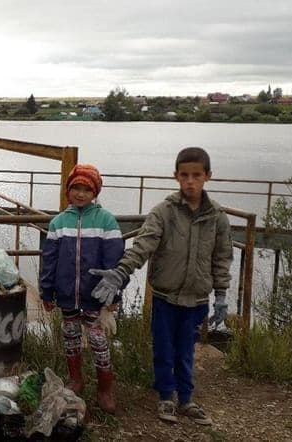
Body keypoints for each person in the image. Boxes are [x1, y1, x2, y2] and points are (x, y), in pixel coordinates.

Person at [89, 147, 232, 426]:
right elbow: (143, 246)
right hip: (166, 297)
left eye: (197, 175)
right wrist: (121, 272)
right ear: (176, 176)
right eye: (184, 175)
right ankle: (166, 396)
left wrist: (222, 295)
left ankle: (186, 399)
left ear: (208, 176)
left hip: (197, 298)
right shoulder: (163, 213)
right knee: (164, 348)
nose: (190, 181)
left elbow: (222, 256)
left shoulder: (217, 217)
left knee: (187, 349)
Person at [39, 163, 124, 414]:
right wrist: (46, 292)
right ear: (68, 190)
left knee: (98, 342)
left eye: (86, 189)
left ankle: (105, 389)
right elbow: (50, 260)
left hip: (95, 298)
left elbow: (115, 262)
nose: (80, 193)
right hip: (66, 296)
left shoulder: (106, 221)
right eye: (75, 188)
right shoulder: (58, 223)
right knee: (71, 338)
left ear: (95, 192)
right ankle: (76, 379)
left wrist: (113, 296)